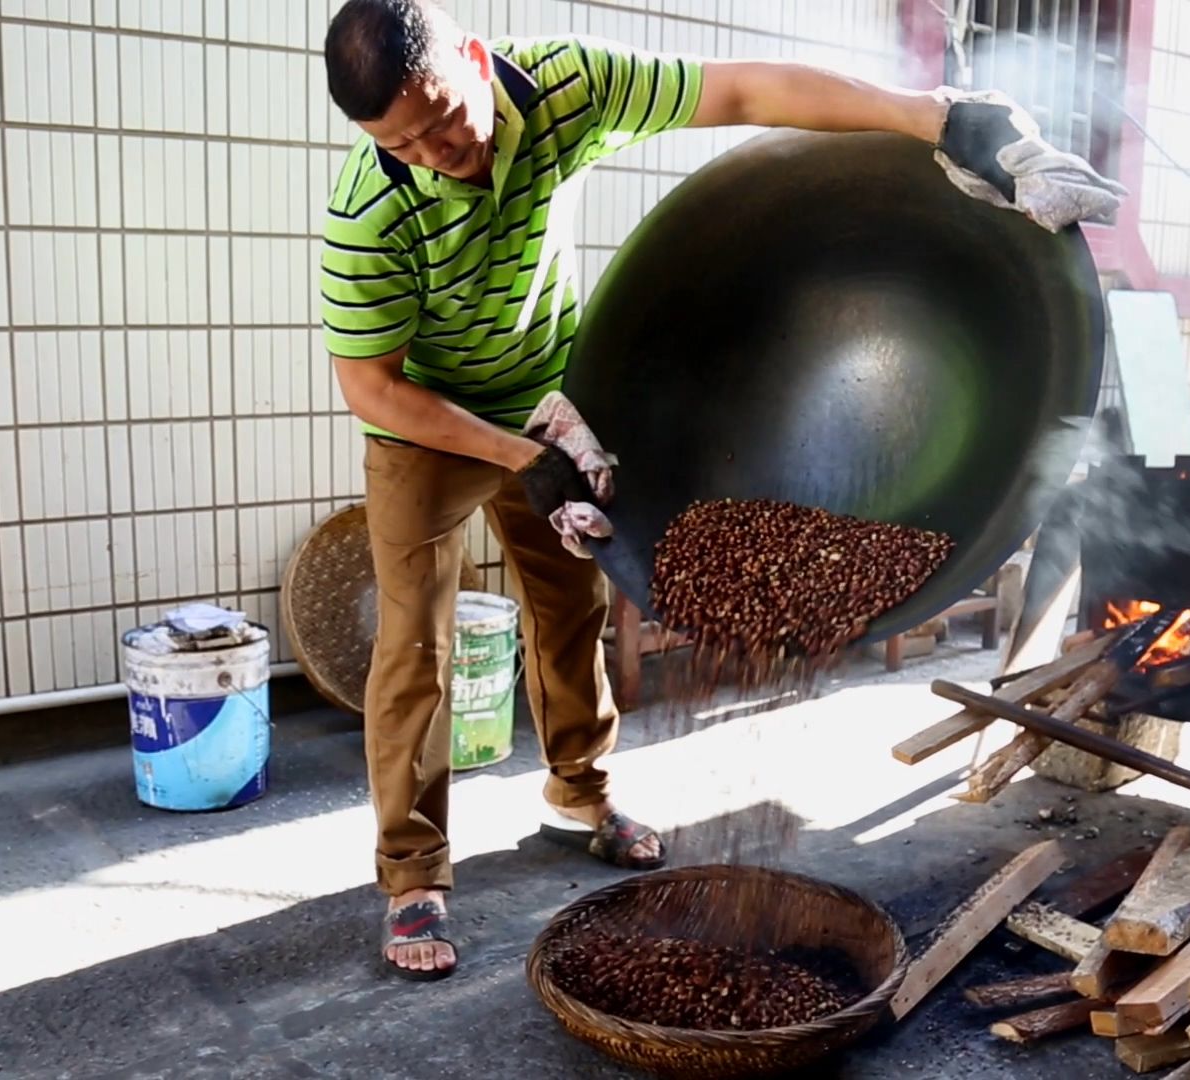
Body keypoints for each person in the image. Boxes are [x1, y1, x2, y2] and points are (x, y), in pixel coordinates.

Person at [319, 0, 1123, 981]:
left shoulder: (564, 88)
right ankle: (413, 875)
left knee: (568, 605)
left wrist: (940, 118)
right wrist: (513, 457)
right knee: (414, 642)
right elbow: (373, 385)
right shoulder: (370, 212)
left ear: (477, 62)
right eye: (401, 142)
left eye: (445, 117)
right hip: (428, 425)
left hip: (547, 398)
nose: (437, 151)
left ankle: (580, 797)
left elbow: (742, 90)